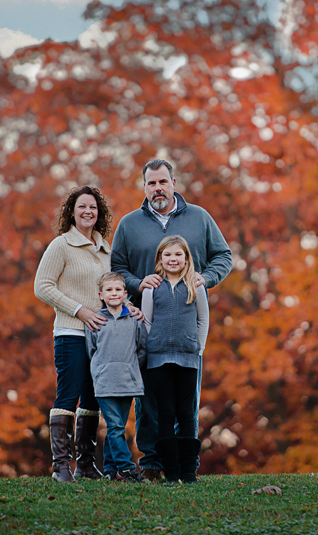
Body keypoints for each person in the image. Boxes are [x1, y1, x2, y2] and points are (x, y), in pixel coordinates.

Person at [111, 159, 232, 480]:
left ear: (174, 182)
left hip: (186, 327)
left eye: (163, 182)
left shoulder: (199, 218)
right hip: (147, 324)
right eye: (151, 184)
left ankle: (185, 464)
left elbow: (224, 256)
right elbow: (117, 267)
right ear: (145, 187)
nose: (158, 189)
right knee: (149, 400)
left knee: (185, 401)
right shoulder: (129, 224)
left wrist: (205, 278)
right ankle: (152, 462)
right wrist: (139, 284)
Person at [34, 186, 113, 482]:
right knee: (69, 395)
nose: (87, 212)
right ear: (72, 212)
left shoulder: (106, 249)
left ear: (99, 212)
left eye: (93, 207)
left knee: (93, 398)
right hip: (71, 333)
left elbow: (113, 288)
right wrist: (79, 310)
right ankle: (61, 467)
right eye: (82, 207)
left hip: (101, 336)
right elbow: (42, 286)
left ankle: (87, 465)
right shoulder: (61, 245)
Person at [141, 236, 209, 483]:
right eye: (167, 255)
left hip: (188, 357)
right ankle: (170, 471)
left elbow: (203, 320)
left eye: (178, 255)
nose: (173, 259)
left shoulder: (195, 285)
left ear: (186, 258)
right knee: (165, 412)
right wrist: (152, 345)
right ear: (160, 258)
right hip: (158, 359)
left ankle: (188, 471)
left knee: (186, 412)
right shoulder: (152, 287)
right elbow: (146, 321)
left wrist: (198, 348)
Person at [85, 272, 147, 483]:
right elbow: (91, 351)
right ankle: (128, 468)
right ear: (101, 295)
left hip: (127, 381)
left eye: (118, 289)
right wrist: (100, 371)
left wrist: (130, 368)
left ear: (125, 293)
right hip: (105, 382)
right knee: (115, 426)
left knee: (117, 426)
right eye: (109, 290)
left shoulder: (134, 320)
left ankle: (111, 469)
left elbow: (142, 349)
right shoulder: (95, 321)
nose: (114, 293)